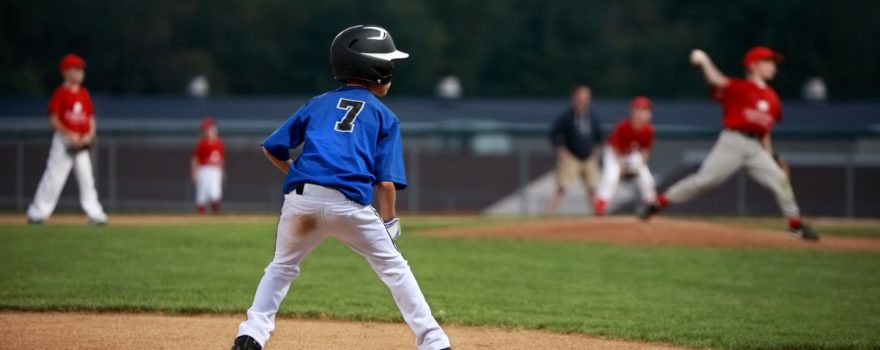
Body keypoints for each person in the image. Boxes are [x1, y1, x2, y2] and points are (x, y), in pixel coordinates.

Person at [230, 25, 452, 350]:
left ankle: (250, 335)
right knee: (394, 268)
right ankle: (433, 342)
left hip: (300, 199)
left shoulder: (318, 103)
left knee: (281, 267)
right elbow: (386, 184)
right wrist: (389, 223)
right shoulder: (384, 116)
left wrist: (298, 174)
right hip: (349, 204)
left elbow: (272, 148)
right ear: (377, 68)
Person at [638, 47, 818, 241]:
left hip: (756, 148)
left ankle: (795, 225)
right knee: (704, 181)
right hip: (733, 141)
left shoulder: (772, 98)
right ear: (753, 66)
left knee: (780, 179)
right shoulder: (740, 87)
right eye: (768, 62)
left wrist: (772, 156)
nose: (773, 66)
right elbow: (716, 80)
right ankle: (658, 203)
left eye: (773, 62)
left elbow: (765, 131)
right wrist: (704, 61)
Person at [26, 54, 108, 225]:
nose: (80, 72)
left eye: (80, 69)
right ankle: (37, 213)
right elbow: (53, 119)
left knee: (87, 179)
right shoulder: (61, 93)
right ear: (65, 72)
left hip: (81, 142)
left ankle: (96, 215)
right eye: (76, 69)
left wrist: (89, 134)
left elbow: (90, 117)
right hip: (64, 141)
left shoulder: (83, 93)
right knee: (54, 177)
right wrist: (70, 134)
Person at [594, 96, 657, 216]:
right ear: (633, 112)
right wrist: (621, 167)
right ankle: (601, 204)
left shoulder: (648, 130)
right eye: (639, 110)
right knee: (611, 176)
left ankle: (651, 205)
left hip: (631, 154)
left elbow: (645, 151)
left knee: (646, 178)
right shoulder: (623, 126)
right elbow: (615, 147)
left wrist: (640, 166)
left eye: (645, 110)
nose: (642, 113)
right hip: (613, 153)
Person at [547, 85, 603, 214]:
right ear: (574, 99)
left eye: (586, 98)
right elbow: (554, 134)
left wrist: (595, 152)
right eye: (580, 98)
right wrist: (562, 151)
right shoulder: (567, 117)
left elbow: (599, 137)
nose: (583, 101)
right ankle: (550, 214)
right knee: (562, 187)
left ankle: (598, 217)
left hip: (588, 157)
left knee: (593, 188)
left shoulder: (592, 118)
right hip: (571, 157)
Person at [191, 117, 225, 214]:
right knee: (202, 194)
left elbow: (221, 160)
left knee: (216, 194)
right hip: (203, 169)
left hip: (215, 170)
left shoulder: (219, 143)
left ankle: (215, 216)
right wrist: (194, 173)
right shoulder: (202, 144)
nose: (208, 131)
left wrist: (223, 171)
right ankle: (201, 216)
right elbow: (195, 159)